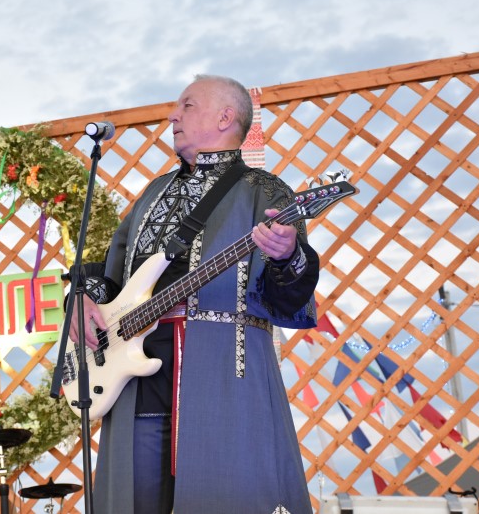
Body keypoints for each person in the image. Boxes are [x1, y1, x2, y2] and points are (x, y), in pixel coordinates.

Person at [69, 74, 319, 514]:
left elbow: (289, 300)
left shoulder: (265, 191)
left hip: (222, 374)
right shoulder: (153, 193)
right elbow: (113, 273)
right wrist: (82, 300)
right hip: (135, 383)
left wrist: (287, 256)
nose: (172, 115)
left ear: (225, 117)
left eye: (187, 105)